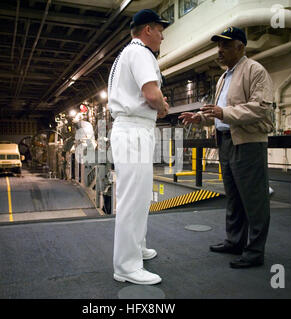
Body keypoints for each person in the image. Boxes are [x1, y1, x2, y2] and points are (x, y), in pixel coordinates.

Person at [179, 27, 274, 268]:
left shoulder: (255, 70)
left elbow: (261, 108)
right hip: (225, 142)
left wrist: (224, 112)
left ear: (240, 47)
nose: (219, 51)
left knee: (254, 199)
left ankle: (254, 251)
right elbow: (219, 113)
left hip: (248, 142)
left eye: (225, 45)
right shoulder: (224, 77)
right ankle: (235, 241)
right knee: (234, 197)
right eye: (218, 46)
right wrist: (200, 117)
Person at [107, 9, 170, 284]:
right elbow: (151, 93)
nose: (162, 35)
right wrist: (164, 105)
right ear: (147, 30)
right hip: (134, 129)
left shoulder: (127, 54)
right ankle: (126, 266)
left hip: (133, 128)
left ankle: (137, 247)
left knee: (141, 196)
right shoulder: (141, 53)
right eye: (160, 29)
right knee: (133, 199)